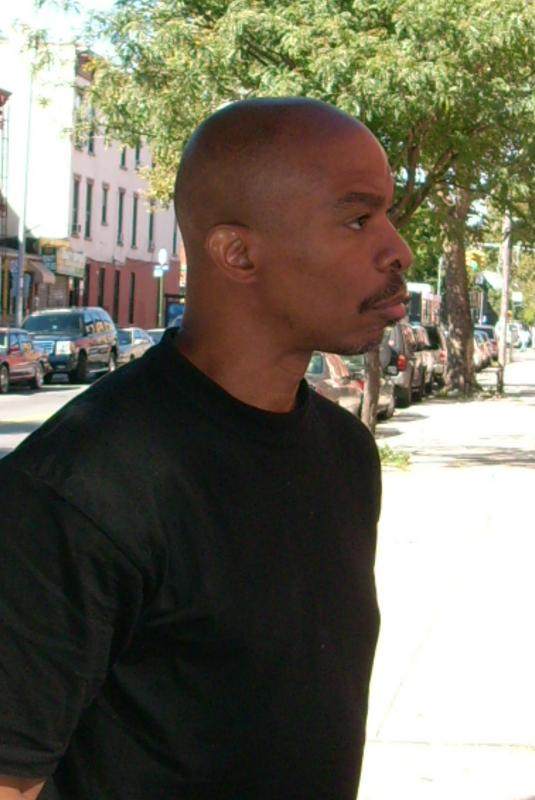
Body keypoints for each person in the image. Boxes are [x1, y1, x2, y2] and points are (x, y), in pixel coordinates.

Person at [0, 98, 411, 800]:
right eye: (357, 219)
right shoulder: (79, 488)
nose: (397, 250)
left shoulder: (344, 451)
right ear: (237, 252)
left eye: (387, 215)